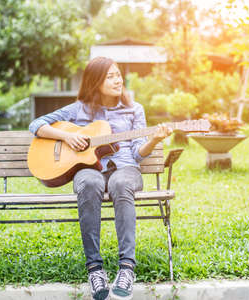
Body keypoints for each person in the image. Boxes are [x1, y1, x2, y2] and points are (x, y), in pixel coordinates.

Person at [29, 56, 172, 300]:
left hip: (126, 169)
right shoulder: (79, 109)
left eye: (118, 75)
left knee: (120, 183)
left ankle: (127, 267)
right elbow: (37, 124)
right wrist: (65, 137)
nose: (118, 80)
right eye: (111, 76)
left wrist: (155, 140)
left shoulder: (134, 110)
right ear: (96, 82)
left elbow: (137, 154)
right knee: (88, 182)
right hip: (91, 169)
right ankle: (95, 269)